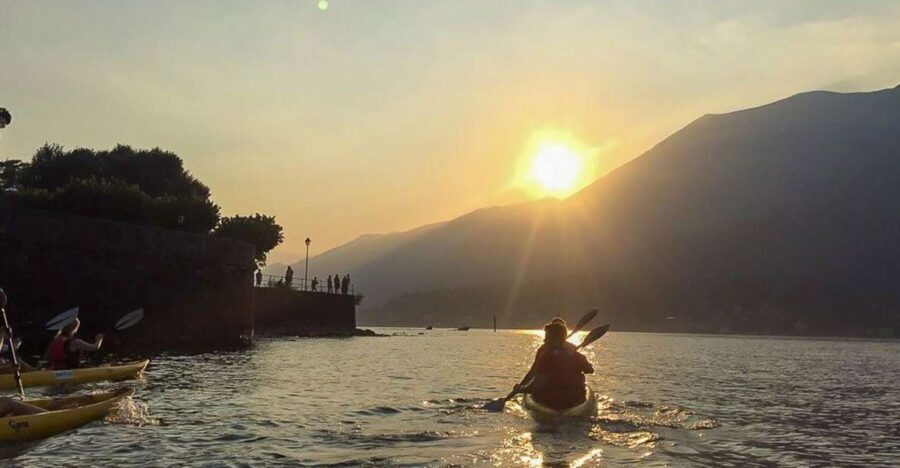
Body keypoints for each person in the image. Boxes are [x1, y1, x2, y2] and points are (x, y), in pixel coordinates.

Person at [514, 319, 593, 410]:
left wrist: (521, 389)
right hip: (573, 401)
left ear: (555, 339)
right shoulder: (578, 356)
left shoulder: (545, 357)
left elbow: (536, 386)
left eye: (547, 337)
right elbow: (590, 370)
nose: (544, 340)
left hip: (551, 402)